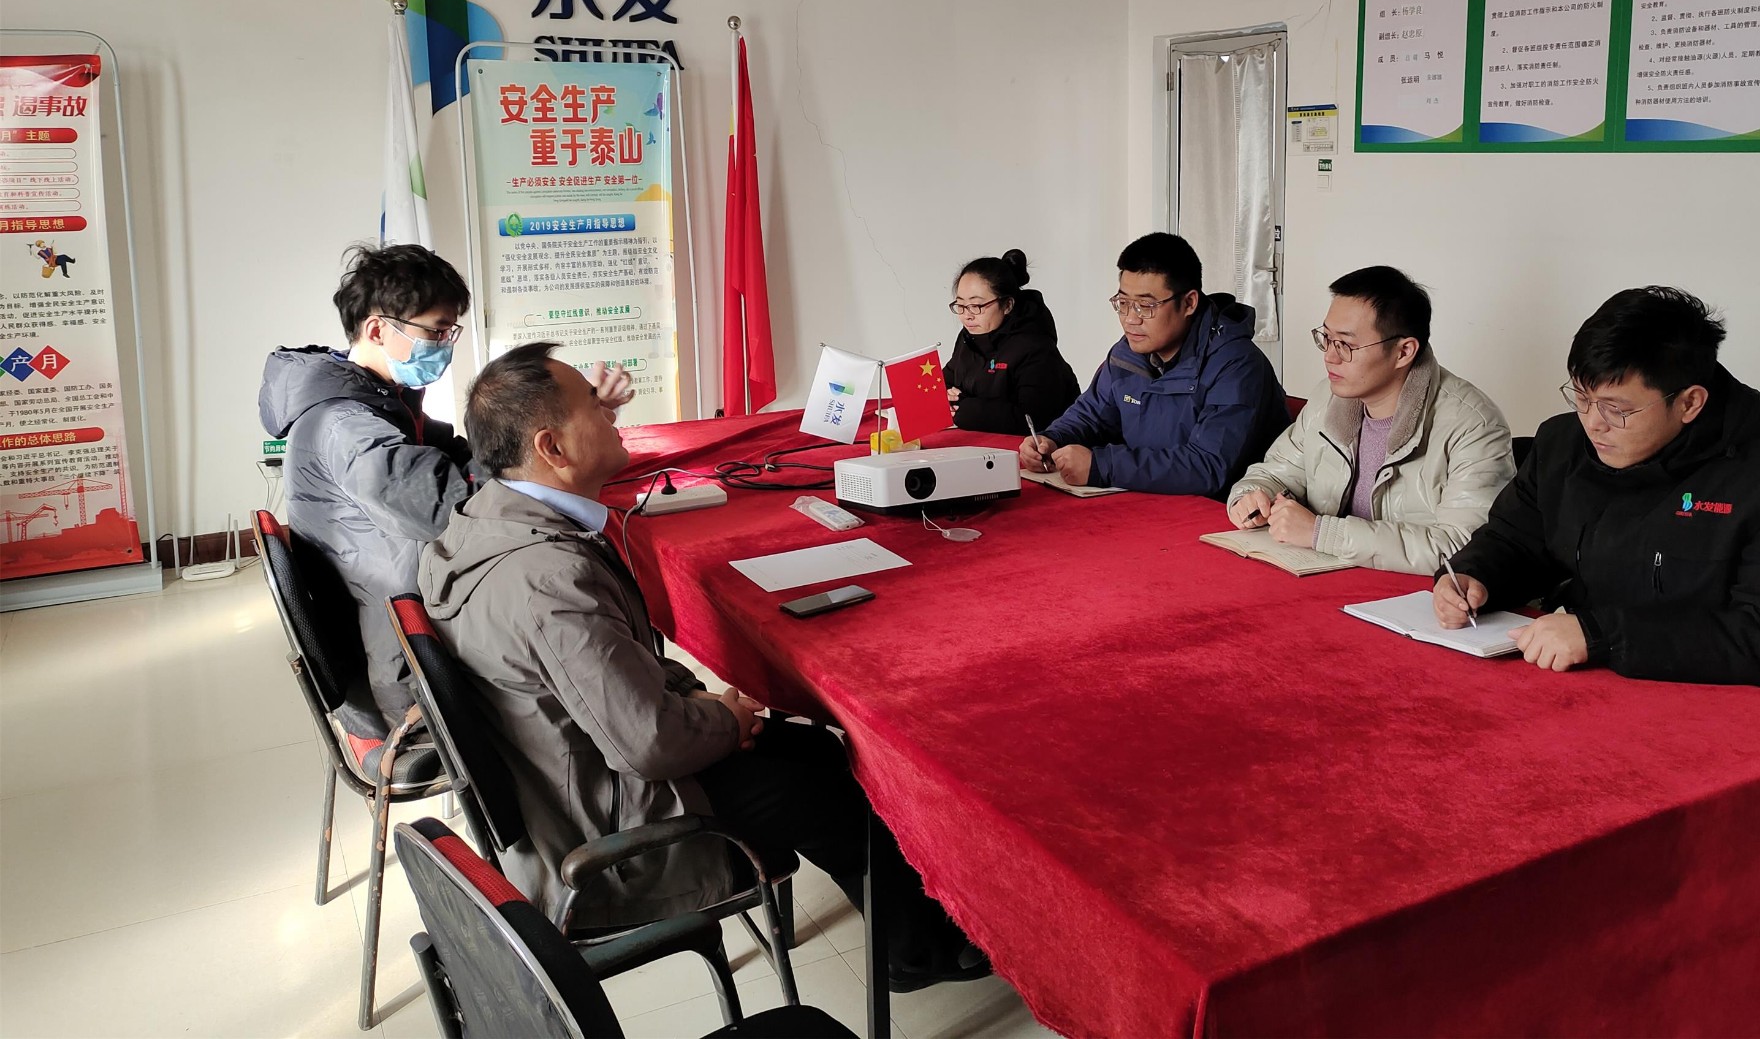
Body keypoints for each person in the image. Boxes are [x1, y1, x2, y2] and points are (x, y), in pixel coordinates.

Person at [419, 343, 988, 990]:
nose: (612, 416)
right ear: (551, 447)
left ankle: (910, 938)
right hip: (608, 828)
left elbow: (610, 671)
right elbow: (649, 742)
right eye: (594, 407)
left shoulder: (488, 523)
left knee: (813, 751)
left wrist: (704, 705)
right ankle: (917, 953)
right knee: (821, 785)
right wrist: (724, 718)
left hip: (572, 775)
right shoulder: (548, 577)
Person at [258, 243, 630, 742]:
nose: (445, 344)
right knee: (562, 606)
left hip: (397, 617)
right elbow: (450, 504)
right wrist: (558, 432)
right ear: (378, 329)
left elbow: (459, 454)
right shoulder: (346, 427)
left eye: (450, 331)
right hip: (403, 666)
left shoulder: (375, 398)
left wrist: (562, 427)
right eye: (435, 330)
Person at [1434, 287, 1760, 705]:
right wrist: (1474, 576)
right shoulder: (1562, 443)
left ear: (1689, 403)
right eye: (1581, 397)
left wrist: (1603, 636)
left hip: (1733, 707)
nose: (1593, 423)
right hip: (1596, 686)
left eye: (1617, 409)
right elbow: (1515, 539)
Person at [1225, 266, 1514, 572]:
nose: (1329, 356)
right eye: (1326, 338)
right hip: (1331, 580)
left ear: (1403, 352)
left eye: (1346, 345)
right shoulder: (1328, 399)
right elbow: (1274, 474)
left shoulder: (1473, 425)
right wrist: (1251, 497)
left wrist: (1323, 533)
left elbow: (1465, 546)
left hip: (1418, 595)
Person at [1018, 232, 1288, 496]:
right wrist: (1052, 439)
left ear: (1189, 303)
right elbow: (1091, 415)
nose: (1130, 319)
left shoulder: (1236, 364)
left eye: (1145, 306)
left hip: (1223, 512)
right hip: (1149, 501)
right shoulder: (1127, 352)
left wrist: (1103, 466)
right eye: (1123, 302)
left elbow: (1208, 466)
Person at [942, 249, 1080, 435]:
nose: (967, 315)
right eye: (961, 305)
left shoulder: (1035, 347)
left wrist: (964, 409)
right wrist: (945, 397)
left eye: (976, 306)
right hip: (981, 443)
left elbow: (1032, 419)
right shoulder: (969, 337)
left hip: (1040, 447)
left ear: (1007, 305)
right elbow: (945, 380)